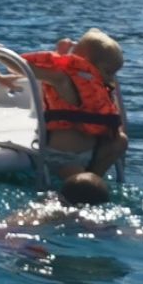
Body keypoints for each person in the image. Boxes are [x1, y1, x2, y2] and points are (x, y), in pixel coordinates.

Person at [12, 30, 128, 177]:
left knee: (121, 141)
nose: (110, 79)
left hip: (91, 152)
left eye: (113, 74)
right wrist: (0, 55)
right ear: (85, 62)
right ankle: (80, 187)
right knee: (81, 185)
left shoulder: (98, 86)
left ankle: (94, 179)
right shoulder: (63, 80)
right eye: (107, 72)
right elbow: (25, 69)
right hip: (65, 158)